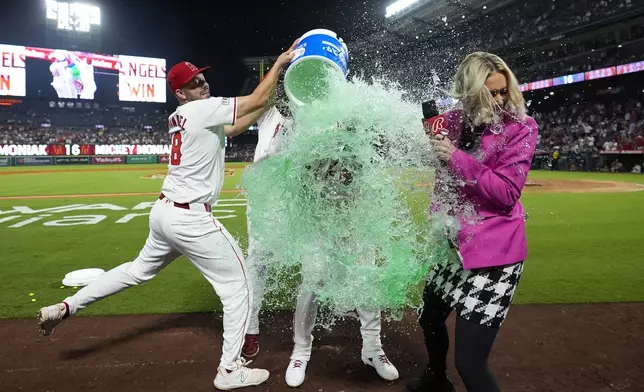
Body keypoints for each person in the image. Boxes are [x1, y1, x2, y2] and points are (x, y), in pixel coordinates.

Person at [36, 39, 298, 391]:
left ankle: (67, 307)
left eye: (202, 79)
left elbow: (236, 127)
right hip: (191, 219)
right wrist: (281, 64)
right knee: (239, 287)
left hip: (164, 214)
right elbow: (254, 100)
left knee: (136, 271)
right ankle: (229, 369)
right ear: (181, 94)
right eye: (193, 84)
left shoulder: (188, 115)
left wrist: (270, 102)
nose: (202, 84)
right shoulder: (200, 110)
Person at [407, 52, 539, 392]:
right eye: (490, 93)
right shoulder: (451, 121)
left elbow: (507, 192)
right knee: (430, 317)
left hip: (494, 256)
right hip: (453, 245)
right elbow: (436, 168)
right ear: (469, 93)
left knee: (469, 363)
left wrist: (455, 157)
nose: (500, 100)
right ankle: (436, 380)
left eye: (503, 91)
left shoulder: (521, 127)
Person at [242, 75, 293, 358]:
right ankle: (250, 327)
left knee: (319, 254)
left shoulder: (312, 118)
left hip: (297, 199)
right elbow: (260, 97)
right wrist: (281, 66)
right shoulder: (270, 113)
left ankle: (339, 298)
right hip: (263, 198)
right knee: (257, 261)